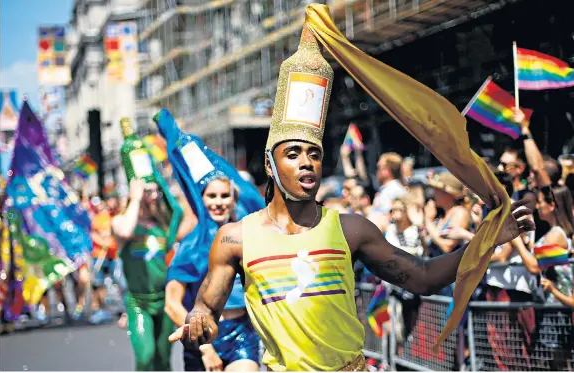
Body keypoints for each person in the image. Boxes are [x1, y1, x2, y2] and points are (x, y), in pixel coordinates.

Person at [167, 26, 536, 370]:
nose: (306, 163)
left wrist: (488, 240)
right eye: (292, 154)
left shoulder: (351, 229)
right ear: (269, 163)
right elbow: (206, 307)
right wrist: (199, 324)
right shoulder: (236, 238)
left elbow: (423, 278)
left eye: (313, 154)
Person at [154, 109, 264, 372]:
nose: (218, 202)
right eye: (211, 196)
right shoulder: (191, 245)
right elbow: (172, 303)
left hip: (242, 334)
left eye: (224, 196)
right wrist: (205, 348)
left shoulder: (249, 237)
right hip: (202, 338)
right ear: (201, 200)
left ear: (234, 199)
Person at [111, 179, 183, 371]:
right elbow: (125, 231)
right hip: (138, 303)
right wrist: (135, 197)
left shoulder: (161, 225)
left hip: (164, 300)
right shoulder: (121, 222)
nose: (152, 196)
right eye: (147, 192)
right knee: (145, 357)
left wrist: (159, 179)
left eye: (155, 192)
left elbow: (178, 211)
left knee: (163, 361)